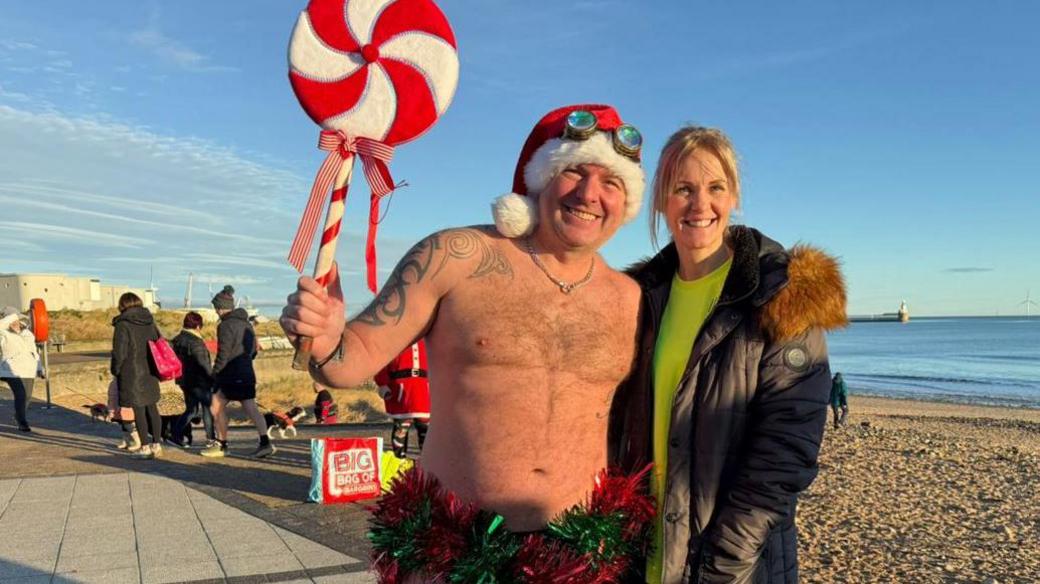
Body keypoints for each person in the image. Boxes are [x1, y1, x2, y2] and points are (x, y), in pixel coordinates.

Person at [282, 104, 656, 582]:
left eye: (611, 182)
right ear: (539, 179)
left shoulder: (631, 299)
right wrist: (327, 336)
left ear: (626, 203)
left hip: (579, 552)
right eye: (573, 172)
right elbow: (348, 363)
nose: (589, 194)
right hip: (451, 551)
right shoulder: (456, 256)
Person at [609, 126, 849, 583]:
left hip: (736, 565)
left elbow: (787, 449)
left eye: (715, 187)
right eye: (683, 189)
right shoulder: (640, 298)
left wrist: (726, 561)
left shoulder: (778, 292)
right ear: (661, 200)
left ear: (734, 195)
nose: (700, 205)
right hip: (645, 556)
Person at [201, 286, 273, 458]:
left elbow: (223, 353)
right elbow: (254, 350)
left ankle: (222, 444)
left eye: (216, 308)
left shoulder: (225, 326)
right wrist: (245, 361)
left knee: (216, 406)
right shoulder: (247, 324)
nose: (216, 311)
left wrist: (214, 373)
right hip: (246, 371)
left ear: (220, 308)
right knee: (251, 408)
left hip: (230, 374)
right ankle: (265, 442)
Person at [111, 292, 164, 459]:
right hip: (150, 369)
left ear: (123, 305)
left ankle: (145, 447)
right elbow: (158, 341)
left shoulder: (123, 324)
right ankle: (156, 444)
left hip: (131, 371)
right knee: (152, 407)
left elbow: (120, 352)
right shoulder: (150, 321)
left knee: (139, 409)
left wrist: (116, 369)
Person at [373, 339, 430, 458]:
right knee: (402, 425)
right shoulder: (396, 338)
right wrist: (383, 383)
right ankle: (400, 459)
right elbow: (382, 363)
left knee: (425, 426)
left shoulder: (428, 340)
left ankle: (426, 461)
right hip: (401, 386)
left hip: (423, 386)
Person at [171, 311, 216, 447]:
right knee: (207, 409)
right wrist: (213, 379)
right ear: (198, 326)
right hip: (200, 381)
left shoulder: (177, 339)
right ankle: (211, 439)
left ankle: (176, 434)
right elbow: (204, 364)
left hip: (184, 380)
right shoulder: (196, 342)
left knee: (192, 410)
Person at [0, 307, 44, 432]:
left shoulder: (28, 333)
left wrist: (40, 367)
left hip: (28, 369)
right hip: (11, 370)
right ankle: (22, 422)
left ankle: (18, 416)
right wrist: (11, 318)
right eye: (12, 320)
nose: (15, 323)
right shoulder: (3, 333)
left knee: (28, 396)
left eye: (17, 320)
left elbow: (34, 352)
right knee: (21, 394)